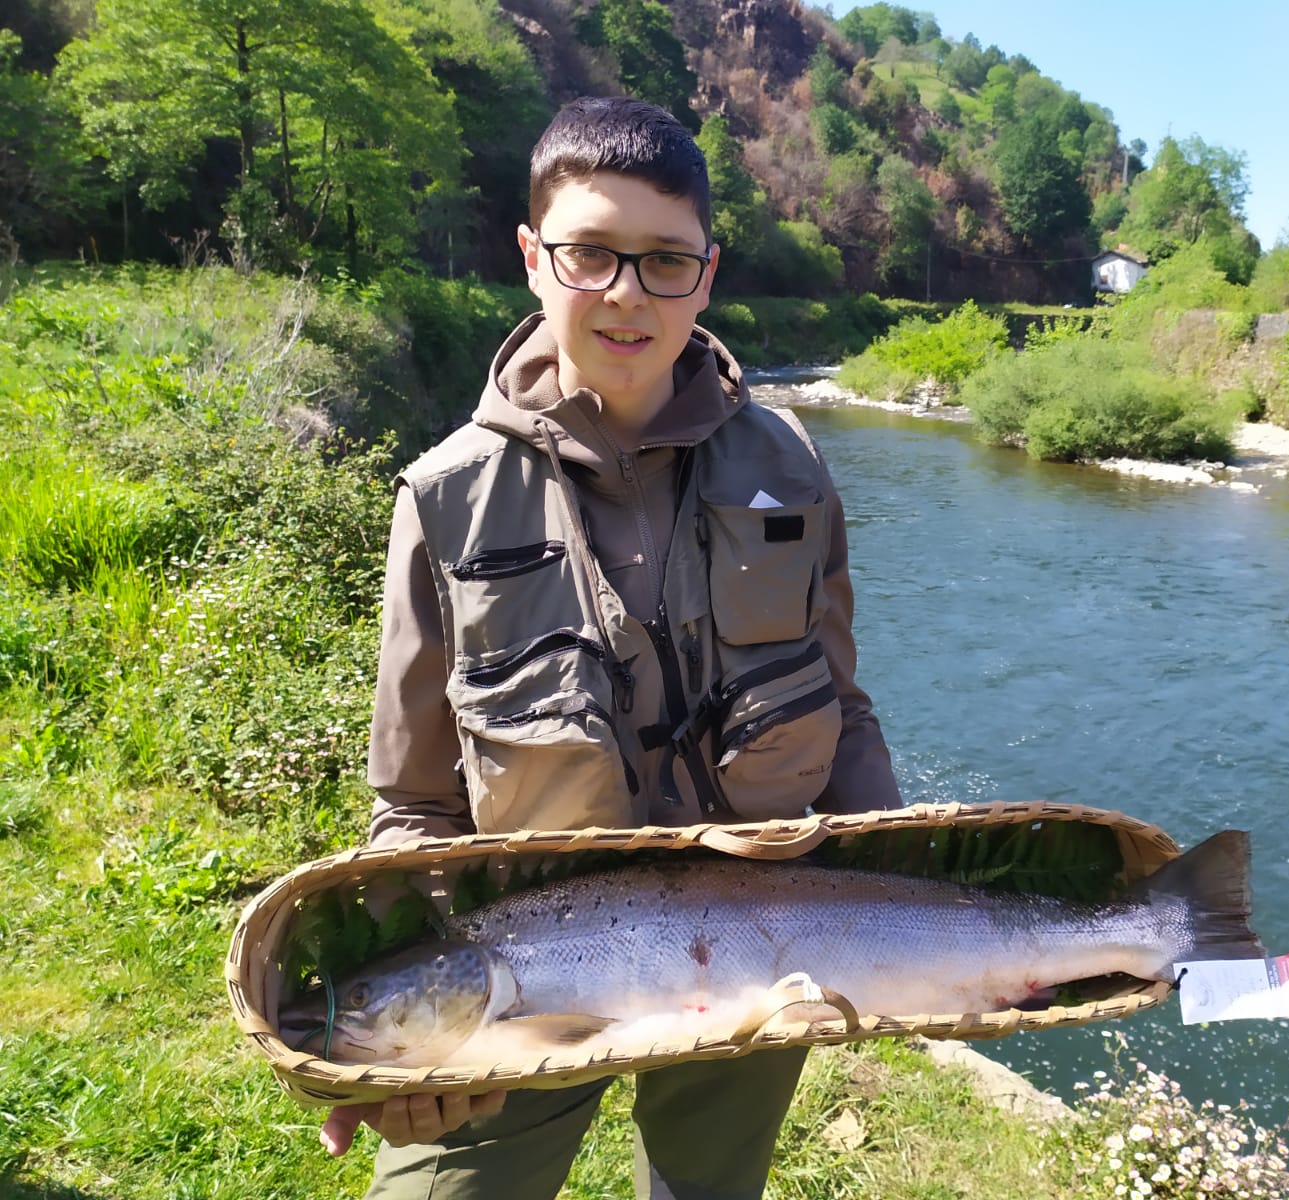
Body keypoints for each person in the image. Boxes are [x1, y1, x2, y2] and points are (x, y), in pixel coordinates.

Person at [316, 95, 902, 1199]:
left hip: (756, 944)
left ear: (708, 273)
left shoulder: (790, 464)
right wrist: (398, 1024)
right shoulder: (444, 499)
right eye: (591, 254)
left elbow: (840, 701)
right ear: (534, 258)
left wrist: (903, 903)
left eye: (664, 262)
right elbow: (412, 805)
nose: (627, 293)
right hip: (526, 968)